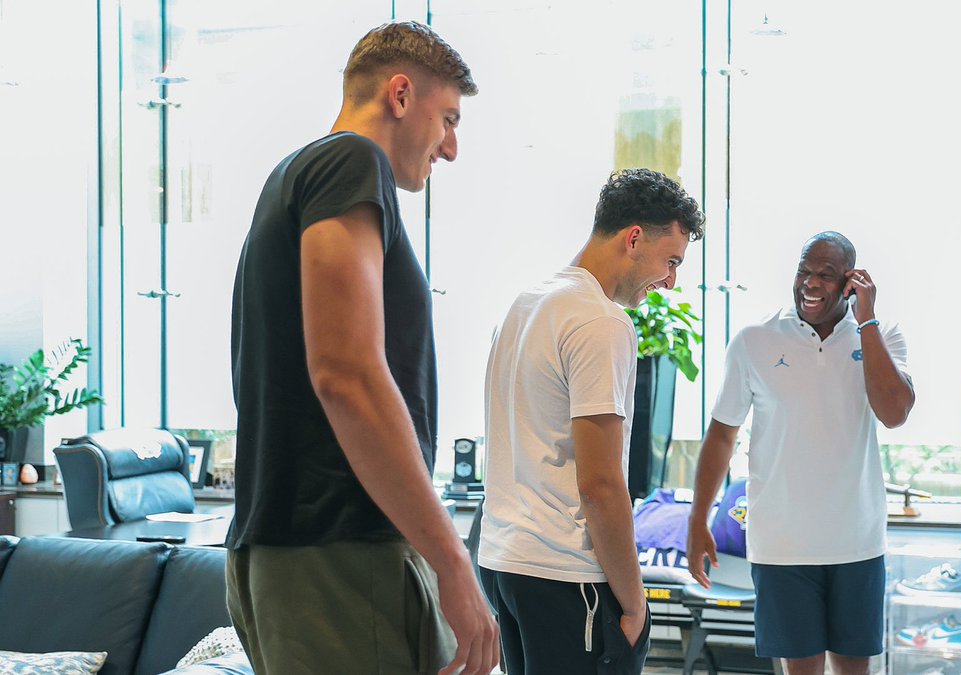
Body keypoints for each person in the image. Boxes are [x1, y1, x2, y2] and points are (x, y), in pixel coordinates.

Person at [227, 21, 498, 675]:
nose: (452, 148)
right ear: (401, 94)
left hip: (298, 550)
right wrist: (451, 560)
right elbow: (345, 373)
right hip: (342, 553)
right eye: (449, 119)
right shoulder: (350, 161)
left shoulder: (293, 175)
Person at [479, 168, 705, 674]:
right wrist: (635, 604)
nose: (670, 281)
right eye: (671, 261)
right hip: (565, 573)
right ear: (633, 239)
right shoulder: (600, 321)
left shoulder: (527, 303)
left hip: (503, 563)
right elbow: (601, 485)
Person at [687, 231, 915, 675]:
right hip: (782, 546)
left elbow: (894, 413)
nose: (810, 284)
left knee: (854, 669)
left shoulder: (882, 335)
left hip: (857, 542)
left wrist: (866, 321)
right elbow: (721, 434)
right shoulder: (754, 340)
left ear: (850, 282)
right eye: (803, 271)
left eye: (826, 275)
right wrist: (698, 519)